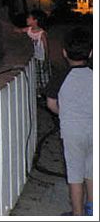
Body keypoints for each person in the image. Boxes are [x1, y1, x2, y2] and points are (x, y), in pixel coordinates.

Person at [45, 27, 93, 217]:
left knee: (75, 175)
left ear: (64, 53)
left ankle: (78, 213)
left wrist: (63, 113)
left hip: (72, 130)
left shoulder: (60, 76)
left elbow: (50, 103)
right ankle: (92, 209)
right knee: (92, 172)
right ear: (90, 53)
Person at [16, 9, 51, 96]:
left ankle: (46, 94)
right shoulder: (29, 30)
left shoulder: (42, 34)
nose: (27, 19)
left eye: (29, 18)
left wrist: (46, 61)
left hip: (42, 59)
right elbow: (19, 30)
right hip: (35, 58)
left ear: (35, 20)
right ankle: (39, 94)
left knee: (44, 77)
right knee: (36, 77)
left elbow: (46, 48)